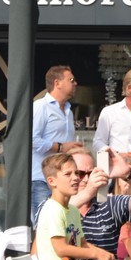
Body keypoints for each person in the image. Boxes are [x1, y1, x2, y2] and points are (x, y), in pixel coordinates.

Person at [34, 152, 116, 260]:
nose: (76, 178)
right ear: (52, 181)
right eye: (68, 174)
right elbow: (61, 249)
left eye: (76, 173)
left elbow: (81, 243)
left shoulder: (72, 210)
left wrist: (103, 253)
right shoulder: (52, 209)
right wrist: (96, 254)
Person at [32, 66, 81, 223]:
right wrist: (61, 147)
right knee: (43, 224)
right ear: (57, 83)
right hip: (42, 178)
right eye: (71, 80)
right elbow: (31, 139)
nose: (75, 83)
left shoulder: (69, 111)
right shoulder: (40, 106)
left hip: (63, 179)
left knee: (62, 221)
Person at [92, 68, 131, 166]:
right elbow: (98, 142)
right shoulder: (110, 112)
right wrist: (115, 154)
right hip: (118, 168)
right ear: (129, 88)